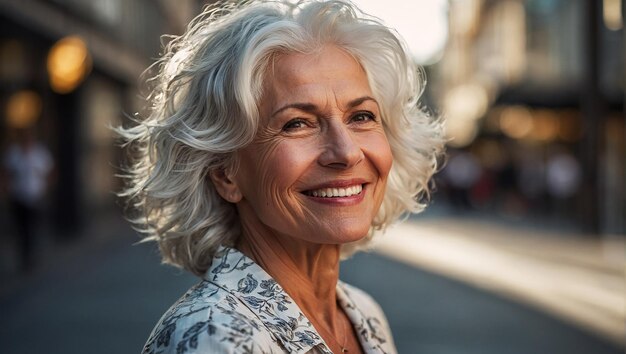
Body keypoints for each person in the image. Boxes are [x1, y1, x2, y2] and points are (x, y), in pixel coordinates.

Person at [120, 1, 443, 353]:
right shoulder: (215, 338)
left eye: (362, 116)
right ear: (224, 173)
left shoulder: (364, 314)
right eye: (297, 123)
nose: (347, 152)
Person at [2, 127, 53, 271]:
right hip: (18, 197)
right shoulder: (14, 154)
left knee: (33, 227)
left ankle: (33, 255)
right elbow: (6, 173)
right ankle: (25, 257)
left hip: (36, 196)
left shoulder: (40, 153)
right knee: (22, 229)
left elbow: (49, 171)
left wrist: (46, 187)